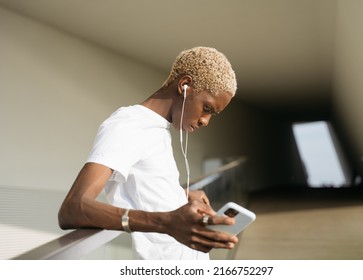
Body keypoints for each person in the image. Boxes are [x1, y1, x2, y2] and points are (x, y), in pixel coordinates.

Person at [58, 46, 238, 260]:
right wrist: (166, 222)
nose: (205, 121)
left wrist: (179, 195)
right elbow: (73, 208)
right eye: (207, 109)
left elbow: (143, 189)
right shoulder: (128, 124)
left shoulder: (157, 128)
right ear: (185, 85)